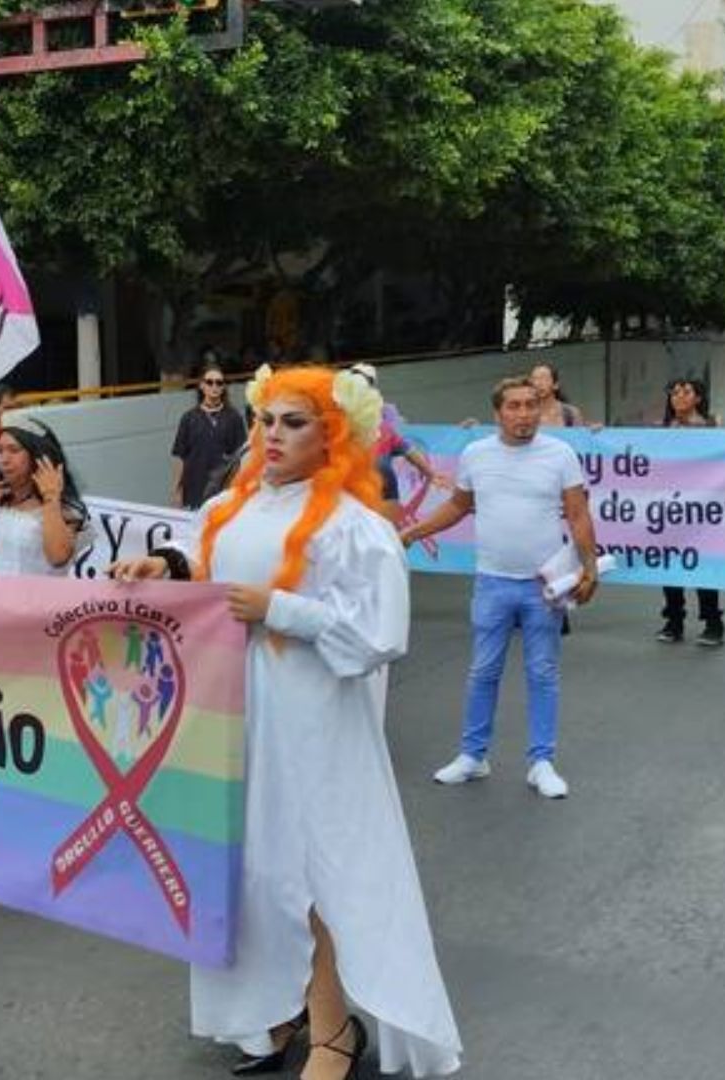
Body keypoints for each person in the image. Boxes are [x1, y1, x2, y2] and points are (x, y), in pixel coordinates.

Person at [112, 366, 462, 1079]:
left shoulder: (356, 526)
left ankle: (334, 1032)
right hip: (230, 713)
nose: (273, 434)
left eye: (294, 421)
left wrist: (279, 610)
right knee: (249, 872)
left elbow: (380, 634)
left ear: (332, 432)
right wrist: (164, 565)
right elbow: (208, 567)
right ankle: (270, 1009)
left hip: (314, 720)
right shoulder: (224, 509)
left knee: (318, 872)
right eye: (267, 419)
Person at [402, 376, 599, 799]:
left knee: (542, 673)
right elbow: (458, 505)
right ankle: (473, 757)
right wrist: (413, 533)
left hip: (542, 585)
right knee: (482, 672)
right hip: (491, 581)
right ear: (498, 413)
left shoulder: (560, 454)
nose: (524, 414)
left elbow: (578, 515)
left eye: (530, 405)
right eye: (514, 406)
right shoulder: (476, 454)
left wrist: (590, 568)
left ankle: (541, 762)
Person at [0, 420, 89, 576]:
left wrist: (51, 498)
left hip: (41, 598)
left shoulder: (64, 508)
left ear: (38, 456)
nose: (4, 459)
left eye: (14, 450)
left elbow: (58, 558)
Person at [656, 379, 725, 646]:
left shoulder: (712, 427)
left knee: (703, 567)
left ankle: (712, 622)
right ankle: (674, 620)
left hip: (702, 509)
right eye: (674, 392)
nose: (678, 397)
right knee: (670, 568)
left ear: (698, 398)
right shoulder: (662, 430)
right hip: (670, 509)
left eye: (685, 392)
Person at [346, 363, 449, 522]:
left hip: (385, 502)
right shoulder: (334, 430)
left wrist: (431, 473)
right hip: (350, 500)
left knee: (386, 538)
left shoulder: (385, 430)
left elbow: (409, 451)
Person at [170, 364, 248, 509]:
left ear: (223, 387)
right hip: (193, 492)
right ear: (201, 385)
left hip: (223, 493)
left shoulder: (234, 417)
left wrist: (239, 490)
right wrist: (176, 491)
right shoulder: (189, 418)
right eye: (209, 382)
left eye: (219, 383)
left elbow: (240, 458)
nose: (214, 386)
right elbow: (180, 457)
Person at [528, 361, 587, 428]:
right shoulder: (526, 414)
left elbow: (581, 436)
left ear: (556, 385)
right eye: (534, 379)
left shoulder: (570, 413)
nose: (538, 383)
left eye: (544, 378)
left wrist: (594, 432)